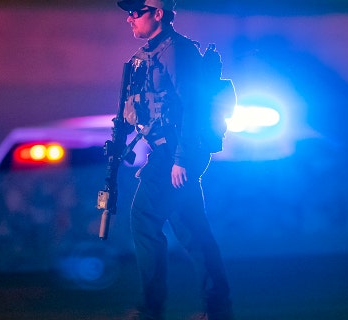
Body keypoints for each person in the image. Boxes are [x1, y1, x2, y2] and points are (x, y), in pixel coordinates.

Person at [115, 0, 234, 319]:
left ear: (158, 13)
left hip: (178, 151)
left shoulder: (176, 52)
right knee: (193, 230)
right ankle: (218, 308)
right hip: (170, 150)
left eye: (136, 12)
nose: (130, 19)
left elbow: (192, 107)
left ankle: (151, 308)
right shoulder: (144, 57)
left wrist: (181, 159)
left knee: (143, 218)